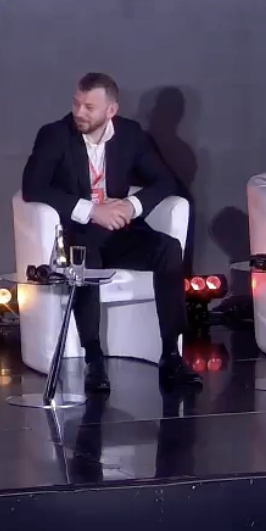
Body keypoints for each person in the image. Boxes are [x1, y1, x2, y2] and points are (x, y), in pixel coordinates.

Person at [21, 73, 201, 394]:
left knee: (169, 249)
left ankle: (171, 354)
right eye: (76, 103)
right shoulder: (54, 135)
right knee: (85, 259)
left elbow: (165, 182)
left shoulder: (131, 135)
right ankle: (94, 359)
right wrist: (92, 211)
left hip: (118, 232)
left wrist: (131, 206)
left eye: (89, 107)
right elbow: (33, 187)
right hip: (76, 232)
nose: (79, 112)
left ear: (111, 110)